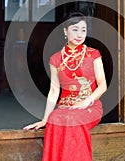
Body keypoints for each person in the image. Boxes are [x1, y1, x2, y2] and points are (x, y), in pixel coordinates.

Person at [23, 11, 107, 161]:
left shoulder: (94, 54)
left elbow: (102, 85)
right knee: (55, 118)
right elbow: (54, 90)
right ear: (65, 31)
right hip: (65, 107)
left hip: (90, 107)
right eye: (75, 29)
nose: (80, 34)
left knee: (72, 120)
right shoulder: (55, 59)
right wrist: (45, 119)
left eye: (83, 30)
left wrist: (86, 101)